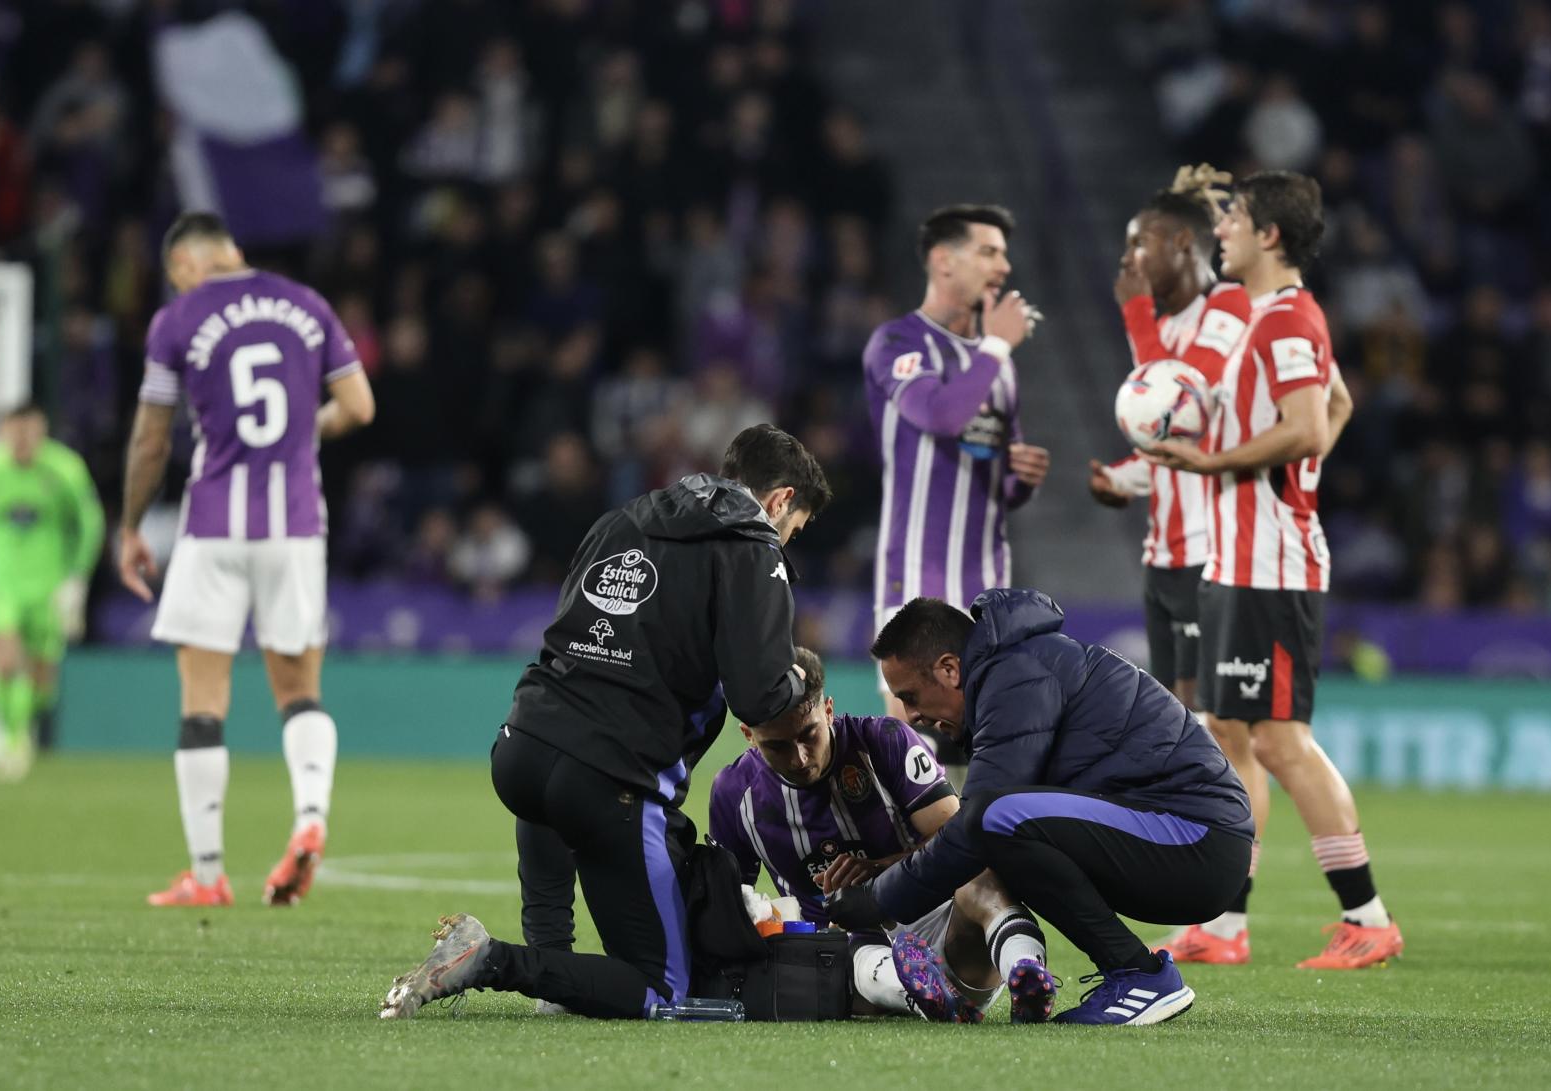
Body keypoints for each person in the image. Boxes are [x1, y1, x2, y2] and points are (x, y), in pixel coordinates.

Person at [379, 424, 831, 1021]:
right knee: (660, 990)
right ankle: (490, 960)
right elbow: (759, 696)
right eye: (792, 530)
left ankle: (551, 979)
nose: (785, 542)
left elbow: (567, 627)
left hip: (524, 744)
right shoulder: (753, 547)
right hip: (609, 776)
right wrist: (800, 678)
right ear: (779, 501)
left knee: (553, 796)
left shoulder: (626, 518)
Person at [1147, 170, 1400, 971]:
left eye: (1235, 220)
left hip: (1274, 563)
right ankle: (1224, 924)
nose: (1223, 232)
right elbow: (1339, 406)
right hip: (1236, 559)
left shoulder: (1289, 321)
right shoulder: (1271, 317)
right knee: (1229, 738)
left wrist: (1213, 460)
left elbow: (1305, 430)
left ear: (1272, 238)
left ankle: (1368, 916)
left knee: (1282, 741)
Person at [826, 591, 1254, 1026]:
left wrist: (879, 901)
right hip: (1186, 840)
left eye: (912, 696)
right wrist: (893, 876)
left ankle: (1138, 974)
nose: (912, 715)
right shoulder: (1017, 668)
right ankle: (1116, 971)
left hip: (1195, 839)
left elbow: (981, 821)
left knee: (997, 821)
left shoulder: (1016, 673)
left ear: (950, 669)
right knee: (1002, 832)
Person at [119, 211, 376, 908]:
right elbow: (358, 405)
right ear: (235, 250)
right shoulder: (307, 305)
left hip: (212, 527)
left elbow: (149, 439)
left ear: (186, 266)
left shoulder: (177, 319)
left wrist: (131, 525)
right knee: (299, 691)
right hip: (293, 525)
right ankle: (311, 821)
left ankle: (206, 874)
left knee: (202, 700)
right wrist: (305, 429)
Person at [710, 647, 1053, 1024]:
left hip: (948, 934)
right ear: (748, 735)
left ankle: (1025, 966)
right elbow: (732, 906)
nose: (801, 758)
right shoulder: (733, 794)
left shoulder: (885, 740)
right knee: (846, 926)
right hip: (843, 964)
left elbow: (960, 841)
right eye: (778, 746)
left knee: (976, 869)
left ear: (828, 710)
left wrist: (880, 870)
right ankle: (918, 991)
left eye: (810, 735)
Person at [861, 204, 1049, 754]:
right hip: (915, 575)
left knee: (988, 746)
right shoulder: (898, 343)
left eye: (1004, 253)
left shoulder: (1000, 365)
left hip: (987, 585)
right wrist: (995, 345)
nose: (1004, 266)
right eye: (989, 251)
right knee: (917, 752)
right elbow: (940, 416)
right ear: (943, 261)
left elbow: (1001, 480)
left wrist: (1023, 478)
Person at [1088, 165, 1250, 712]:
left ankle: (1237, 802)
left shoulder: (1229, 305)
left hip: (1212, 549)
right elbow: (1165, 438)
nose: (1128, 257)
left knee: (1215, 722)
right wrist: (1121, 479)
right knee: (1179, 722)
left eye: (1141, 241)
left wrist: (1135, 312)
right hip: (1164, 550)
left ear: (1183, 242)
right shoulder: (1167, 330)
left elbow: (1186, 399)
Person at [0, 403, 103, 780]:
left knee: (43, 675)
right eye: (16, 433)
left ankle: (22, 726)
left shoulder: (65, 469)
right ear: (4, 433)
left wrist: (77, 579)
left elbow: (89, 523)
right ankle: (8, 736)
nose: (23, 442)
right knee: (6, 657)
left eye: (30, 433)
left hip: (49, 581)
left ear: (42, 432)